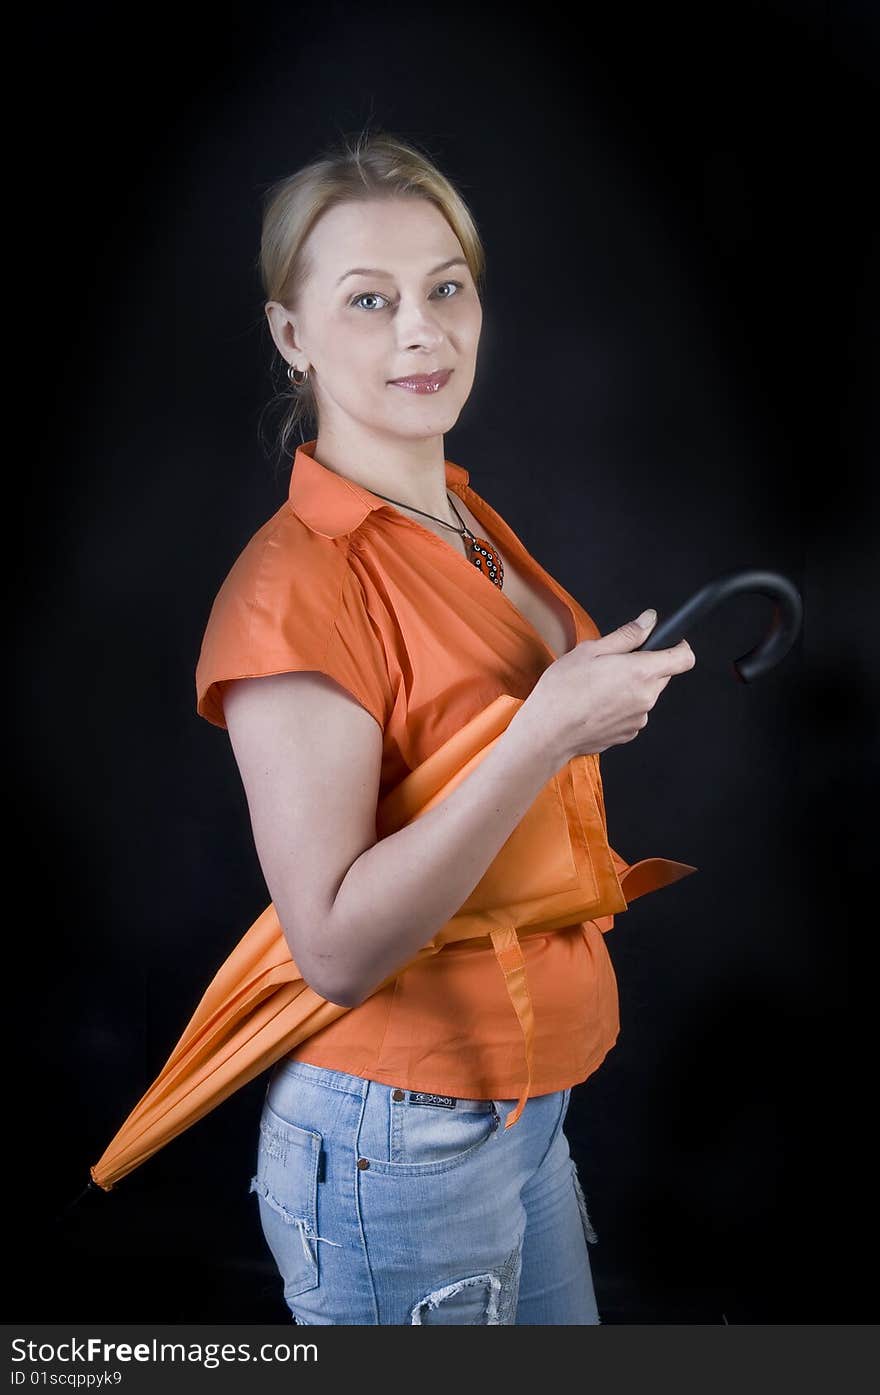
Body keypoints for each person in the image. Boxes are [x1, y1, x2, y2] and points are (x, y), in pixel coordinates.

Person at [193, 127, 695, 1326]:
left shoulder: (457, 512)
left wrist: (570, 720)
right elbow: (334, 950)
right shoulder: (292, 589)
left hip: (518, 1115)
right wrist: (543, 732)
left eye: (445, 288)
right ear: (292, 336)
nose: (422, 330)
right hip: (396, 1143)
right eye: (368, 301)